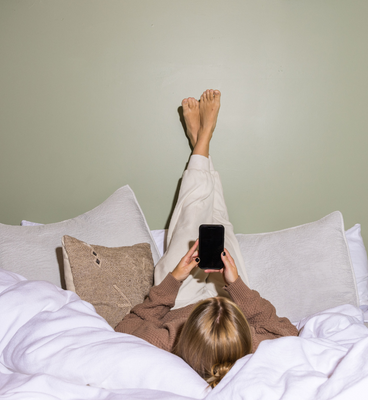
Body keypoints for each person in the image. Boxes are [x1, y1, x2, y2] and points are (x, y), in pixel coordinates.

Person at [115, 90, 298, 388]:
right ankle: (202, 144)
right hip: (231, 302)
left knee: (191, 218)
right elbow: (288, 333)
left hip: (180, 299)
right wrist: (234, 286)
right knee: (220, 221)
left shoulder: (165, 340)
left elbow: (125, 329)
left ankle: (202, 141)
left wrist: (175, 278)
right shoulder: (252, 346)